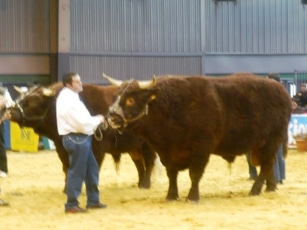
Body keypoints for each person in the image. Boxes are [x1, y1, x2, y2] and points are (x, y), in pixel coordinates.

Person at [56, 72, 107, 214]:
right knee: (76, 172)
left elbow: (82, 120)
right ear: (68, 84)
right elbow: (82, 123)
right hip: (77, 138)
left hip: (80, 138)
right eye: (77, 82)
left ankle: (93, 200)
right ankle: (71, 204)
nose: (80, 84)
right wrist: (98, 119)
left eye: (80, 80)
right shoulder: (70, 101)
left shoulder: (70, 97)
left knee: (92, 169)